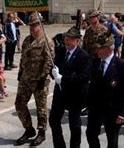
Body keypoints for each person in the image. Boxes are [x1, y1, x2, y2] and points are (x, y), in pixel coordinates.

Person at [86, 32, 124, 148]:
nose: (97, 51)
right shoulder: (96, 63)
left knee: (112, 140)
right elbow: (91, 85)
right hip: (96, 108)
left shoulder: (121, 65)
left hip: (113, 110)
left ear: (109, 49)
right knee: (90, 134)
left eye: (100, 48)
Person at [15, 13, 54, 146]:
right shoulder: (26, 40)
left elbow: (49, 62)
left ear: (41, 25)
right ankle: (29, 129)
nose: (32, 27)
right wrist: (20, 73)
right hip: (25, 79)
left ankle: (41, 133)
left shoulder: (47, 41)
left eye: (35, 25)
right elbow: (23, 59)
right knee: (19, 105)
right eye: (31, 25)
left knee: (41, 108)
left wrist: (43, 78)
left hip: (39, 80)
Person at [49, 26, 90, 148]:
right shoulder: (61, 51)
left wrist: (63, 79)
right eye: (66, 37)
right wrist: (53, 73)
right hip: (60, 93)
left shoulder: (83, 56)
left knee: (74, 124)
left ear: (77, 41)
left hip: (75, 94)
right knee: (53, 120)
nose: (66, 41)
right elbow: (55, 66)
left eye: (70, 39)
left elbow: (83, 78)